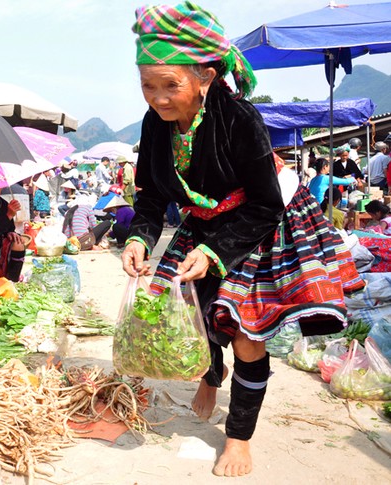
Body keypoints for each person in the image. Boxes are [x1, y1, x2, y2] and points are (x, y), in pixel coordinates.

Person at [123, 3, 363, 477]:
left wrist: (214, 252)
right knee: (190, 312)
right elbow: (150, 195)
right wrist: (138, 238)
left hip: (263, 221)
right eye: (148, 85)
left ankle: (239, 437)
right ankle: (212, 374)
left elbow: (265, 205)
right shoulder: (154, 126)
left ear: (206, 77)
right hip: (204, 220)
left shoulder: (239, 119)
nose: (158, 98)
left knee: (246, 332)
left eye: (171, 84)